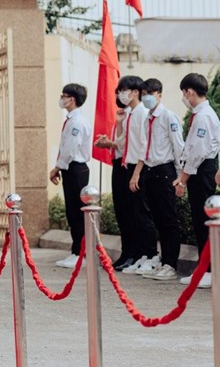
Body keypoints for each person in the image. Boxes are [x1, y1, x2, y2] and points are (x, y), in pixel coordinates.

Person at [134, 78, 185, 281]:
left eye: (150, 94)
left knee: (168, 220)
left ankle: (171, 264)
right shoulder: (147, 118)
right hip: (151, 171)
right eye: (144, 94)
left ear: (159, 95)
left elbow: (178, 146)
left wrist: (180, 176)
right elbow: (145, 146)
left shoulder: (168, 117)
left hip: (165, 171)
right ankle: (163, 261)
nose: (146, 97)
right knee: (158, 220)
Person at [173, 73, 220, 289]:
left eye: (184, 93)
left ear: (190, 92)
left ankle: (209, 271)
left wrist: (183, 179)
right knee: (201, 222)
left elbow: (197, 152)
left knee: (204, 223)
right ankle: (205, 269)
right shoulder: (201, 115)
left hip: (202, 171)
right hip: (199, 170)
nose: (184, 97)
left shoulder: (203, 117)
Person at [115, 76, 159, 275]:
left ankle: (151, 254)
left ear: (135, 92)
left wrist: (136, 173)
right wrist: (119, 124)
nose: (120, 94)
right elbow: (123, 142)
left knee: (142, 214)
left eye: (123, 90)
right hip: (129, 166)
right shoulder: (131, 113)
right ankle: (141, 255)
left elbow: (144, 145)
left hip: (138, 167)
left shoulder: (142, 113)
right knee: (133, 215)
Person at [49, 83, 91, 268]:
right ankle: (76, 251)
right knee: (72, 212)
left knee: (78, 212)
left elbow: (70, 149)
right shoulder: (71, 120)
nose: (61, 99)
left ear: (72, 99)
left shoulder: (77, 122)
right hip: (70, 168)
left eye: (63, 96)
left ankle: (82, 253)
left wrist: (57, 167)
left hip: (76, 168)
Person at [94, 95, 134, 270]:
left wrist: (110, 143)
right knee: (121, 211)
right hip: (118, 164)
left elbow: (126, 144)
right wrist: (109, 140)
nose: (120, 95)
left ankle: (134, 253)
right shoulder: (122, 115)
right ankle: (126, 253)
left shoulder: (135, 115)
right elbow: (118, 143)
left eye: (125, 91)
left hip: (129, 165)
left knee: (131, 212)